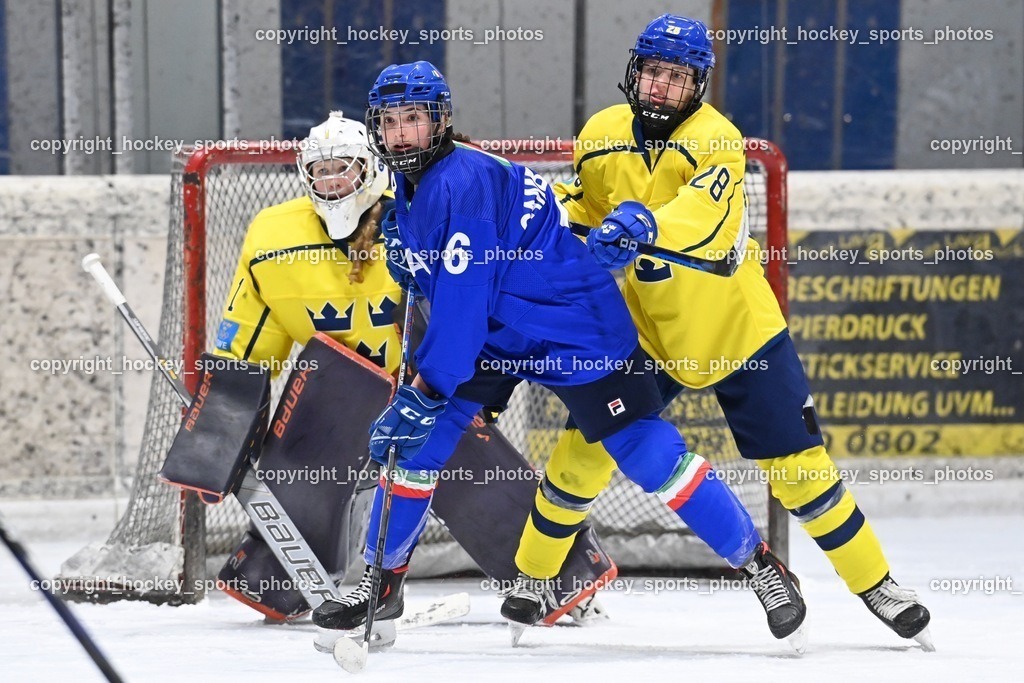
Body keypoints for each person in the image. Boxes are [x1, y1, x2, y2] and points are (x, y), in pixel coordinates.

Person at [311, 60, 806, 647]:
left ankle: (759, 565)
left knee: (647, 455)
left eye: (413, 119)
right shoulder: (416, 188)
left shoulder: (459, 186)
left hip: (574, 326)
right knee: (422, 440)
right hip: (499, 328)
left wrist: (426, 389)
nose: (400, 134)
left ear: (440, 122)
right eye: (389, 122)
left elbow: (461, 306)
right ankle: (381, 578)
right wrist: (414, 265)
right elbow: (453, 293)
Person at [516, 14, 932, 649]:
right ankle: (532, 577)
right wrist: (554, 219)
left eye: (676, 77)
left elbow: (705, 214)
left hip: (736, 332)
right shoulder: (600, 133)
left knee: (800, 471)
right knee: (583, 450)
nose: (660, 88)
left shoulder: (718, 140)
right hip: (647, 334)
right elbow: (585, 202)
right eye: (652, 72)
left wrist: (645, 225)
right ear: (635, 72)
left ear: (698, 85)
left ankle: (877, 584)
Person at [209, 111, 616, 626]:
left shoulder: (429, 215)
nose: (333, 182)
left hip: (426, 391)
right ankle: (277, 571)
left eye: (346, 169)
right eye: (322, 170)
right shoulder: (273, 235)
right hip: (334, 405)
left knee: (448, 438)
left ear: (373, 169)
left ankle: (555, 575)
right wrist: (218, 430)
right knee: (321, 399)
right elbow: (245, 353)